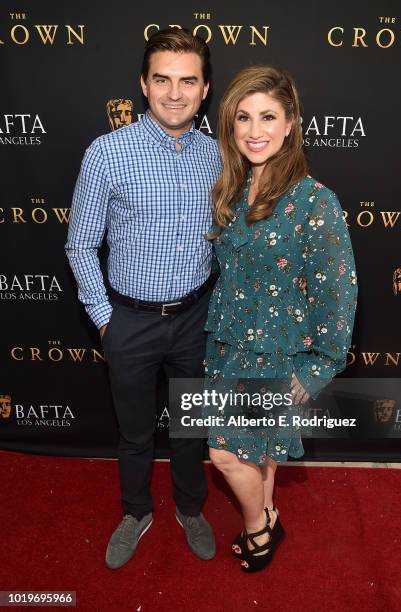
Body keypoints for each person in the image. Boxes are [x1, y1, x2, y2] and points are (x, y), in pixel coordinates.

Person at [65, 28, 221, 569]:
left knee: (189, 427)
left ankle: (190, 507)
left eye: (187, 81)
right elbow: (80, 243)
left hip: (198, 316)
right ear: (143, 85)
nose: (174, 93)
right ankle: (135, 512)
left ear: (205, 90)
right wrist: (107, 321)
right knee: (133, 433)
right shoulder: (107, 153)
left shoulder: (219, 156)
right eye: (162, 80)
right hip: (129, 320)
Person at [204, 65, 357, 572]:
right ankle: (268, 510)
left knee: (226, 455)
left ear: (291, 122)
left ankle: (258, 532)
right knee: (259, 453)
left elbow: (338, 294)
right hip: (227, 345)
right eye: (243, 118)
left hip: (275, 356)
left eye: (268, 116)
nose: (254, 130)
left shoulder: (317, 201)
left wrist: (317, 368)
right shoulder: (233, 186)